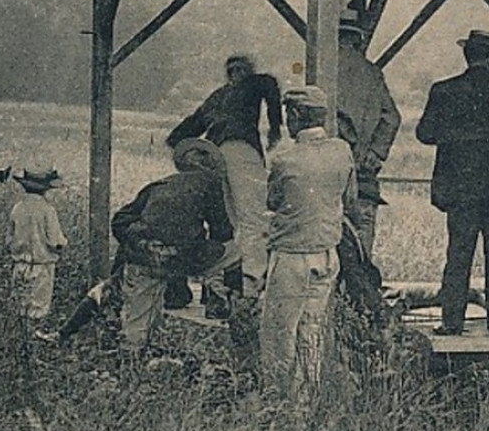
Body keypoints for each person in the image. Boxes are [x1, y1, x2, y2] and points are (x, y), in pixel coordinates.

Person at [415, 29, 489, 336]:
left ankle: (451, 322)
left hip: (461, 191)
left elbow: (425, 133)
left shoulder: (443, 90)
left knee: (458, 256)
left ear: (467, 56)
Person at [260, 86, 356, 401]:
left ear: (297, 116)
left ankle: (275, 404)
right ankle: (304, 405)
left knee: (279, 335)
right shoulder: (342, 150)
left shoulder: (284, 158)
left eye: (289, 115)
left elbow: (273, 200)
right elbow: (350, 199)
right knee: (311, 332)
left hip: (292, 256)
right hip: (327, 254)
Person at [166, 54, 283, 299]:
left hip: (215, 155)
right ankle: (252, 285)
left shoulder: (217, 97)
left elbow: (187, 128)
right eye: (235, 70)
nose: (236, 75)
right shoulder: (254, 83)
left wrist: (185, 150)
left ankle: (222, 286)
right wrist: (275, 128)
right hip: (241, 148)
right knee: (254, 217)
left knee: (228, 221)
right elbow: (270, 84)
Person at [113, 139, 237, 353]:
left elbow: (119, 220)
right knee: (237, 251)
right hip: (183, 258)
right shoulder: (210, 183)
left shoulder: (159, 184)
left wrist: (143, 243)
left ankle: (130, 355)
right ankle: (221, 300)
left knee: (138, 319)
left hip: (146, 257)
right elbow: (223, 231)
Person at [334, 11, 401, 258]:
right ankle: (360, 292)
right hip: (363, 171)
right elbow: (392, 117)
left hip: (329, 168)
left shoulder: (322, 67)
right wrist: (375, 151)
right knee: (362, 236)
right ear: (357, 39)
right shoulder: (372, 72)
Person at [8, 168, 67, 337]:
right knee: (38, 308)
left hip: (19, 264)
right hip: (42, 266)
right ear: (46, 189)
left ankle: (19, 338)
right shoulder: (48, 211)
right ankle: (34, 340)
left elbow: (9, 238)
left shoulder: (17, 208)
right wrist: (62, 245)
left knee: (20, 306)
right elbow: (55, 241)